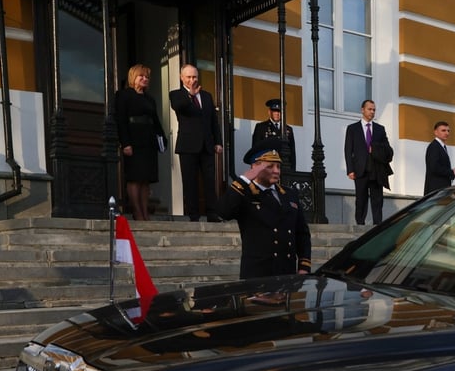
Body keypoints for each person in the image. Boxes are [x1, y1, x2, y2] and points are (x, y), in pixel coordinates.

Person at [217, 137, 312, 280]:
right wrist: (243, 180)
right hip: (258, 275)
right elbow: (223, 212)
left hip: (287, 273)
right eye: (270, 166)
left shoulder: (289, 194)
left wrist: (304, 266)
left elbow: (302, 233)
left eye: (278, 167)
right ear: (255, 167)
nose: (276, 171)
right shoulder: (245, 193)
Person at [169, 64, 223, 221]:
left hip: (207, 145)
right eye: (188, 77)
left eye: (194, 77)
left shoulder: (206, 96)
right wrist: (190, 96)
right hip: (188, 145)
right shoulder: (176, 94)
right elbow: (178, 107)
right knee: (190, 181)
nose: (192, 80)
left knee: (209, 181)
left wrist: (218, 141)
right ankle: (193, 215)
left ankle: (212, 213)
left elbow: (214, 121)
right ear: (181, 78)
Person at [115, 64, 166, 221]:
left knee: (146, 179)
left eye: (147, 77)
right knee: (134, 177)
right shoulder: (123, 95)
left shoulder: (149, 98)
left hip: (148, 140)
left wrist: (162, 138)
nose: (145, 79)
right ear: (133, 78)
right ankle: (137, 212)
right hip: (133, 140)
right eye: (141, 76)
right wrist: (125, 143)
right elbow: (121, 120)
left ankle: (145, 212)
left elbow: (155, 120)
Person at [344, 99, 393, 225]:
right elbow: (348, 150)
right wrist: (350, 169)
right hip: (360, 169)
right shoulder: (352, 129)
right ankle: (360, 223)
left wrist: (375, 149)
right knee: (361, 199)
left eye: (374, 110)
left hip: (376, 170)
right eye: (369, 109)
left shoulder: (380, 129)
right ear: (362, 110)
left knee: (377, 199)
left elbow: (388, 150)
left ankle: (377, 224)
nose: (372, 112)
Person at [252, 98, 296, 178]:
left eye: (279, 111)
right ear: (269, 112)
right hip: (266, 168)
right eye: (274, 111)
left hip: (284, 169)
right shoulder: (261, 127)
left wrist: (292, 171)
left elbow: (292, 152)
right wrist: (256, 169)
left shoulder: (288, 129)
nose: (277, 114)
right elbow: (255, 149)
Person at [423, 120, 455, 195]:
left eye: (448, 131)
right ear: (435, 132)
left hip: (441, 189)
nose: (447, 133)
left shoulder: (441, 146)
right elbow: (434, 167)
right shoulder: (434, 146)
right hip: (436, 190)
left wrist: (451, 174)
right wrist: (451, 172)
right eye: (443, 130)